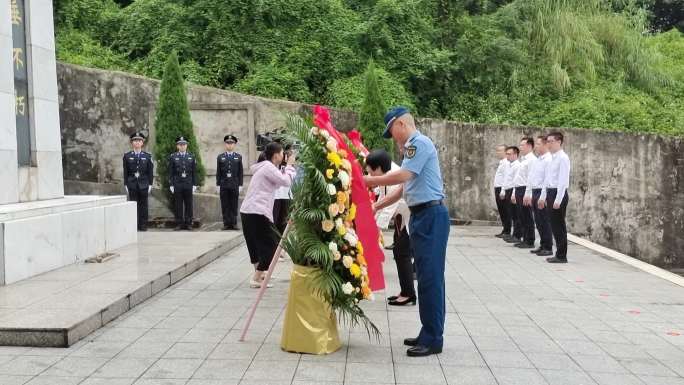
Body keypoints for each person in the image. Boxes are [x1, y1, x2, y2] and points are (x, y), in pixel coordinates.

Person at [364, 106, 449, 358]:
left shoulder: (417, 143)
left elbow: (403, 175)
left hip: (430, 216)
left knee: (430, 277)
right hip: (423, 216)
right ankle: (429, 331)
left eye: (392, 131)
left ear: (401, 124)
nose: (394, 138)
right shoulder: (414, 147)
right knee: (425, 276)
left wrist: (368, 180)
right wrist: (378, 204)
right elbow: (404, 187)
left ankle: (433, 338)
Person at [240, 142, 296, 288]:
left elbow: (278, 183)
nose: (284, 156)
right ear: (276, 155)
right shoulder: (268, 167)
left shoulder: (266, 167)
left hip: (251, 210)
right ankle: (256, 277)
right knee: (273, 243)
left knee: (258, 244)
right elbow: (285, 181)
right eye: (283, 153)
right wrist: (290, 166)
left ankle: (260, 275)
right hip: (257, 211)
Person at [365, 149, 415, 307]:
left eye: (371, 173)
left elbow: (386, 209)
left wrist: (371, 233)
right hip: (404, 218)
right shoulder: (388, 171)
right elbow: (381, 195)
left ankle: (408, 294)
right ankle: (407, 292)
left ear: (379, 168)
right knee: (400, 252)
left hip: (411, 218)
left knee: (402, 252)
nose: (372, 177)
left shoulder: (394, 177)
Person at [539, 132, 571, 263]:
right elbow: (548, 180)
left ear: (559, 142)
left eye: (551, 141)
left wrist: (558, 200)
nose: (549, 144)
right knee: (554, 225)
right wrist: (543, 196)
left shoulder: (563, 158)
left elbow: (563, 180)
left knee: (559, 226)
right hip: (551, 192)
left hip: (559, 193)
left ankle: (561, 255)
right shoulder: (552, 158)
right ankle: (559, 253)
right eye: (548, 141)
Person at [524, 135, 553, 256]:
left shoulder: (548, 160)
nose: (536, 146)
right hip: (535, 191)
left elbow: (547, 179)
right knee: (538, 221)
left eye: (538, 144)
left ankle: (548, 247)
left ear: (546, 145)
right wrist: (528, 193)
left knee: (544, 220)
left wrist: (543, 197)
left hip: (542, 192)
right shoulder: (538, 160)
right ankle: (542, 244)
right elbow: (531, 178)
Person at [123, 132, 154, 232]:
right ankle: (134, 224)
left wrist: (150, 184)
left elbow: (150, 172)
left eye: (139, 141)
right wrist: (126, 184)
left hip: (144, 184)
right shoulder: (127, 156)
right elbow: (125, 171)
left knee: (144, 205)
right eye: (135, 140)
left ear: (142, 143)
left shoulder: (147, 156)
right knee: (133, 205)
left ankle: (143, 224)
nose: (137, 142)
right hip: (132, 184)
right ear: (132, 143)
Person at [169, 136, 198, 231]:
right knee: (178, 204)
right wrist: (171, 184)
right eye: (180, 144)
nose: (182, 146)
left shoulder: (191, 156)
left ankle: (188, 223)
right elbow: (171, 172)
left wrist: (194, 184)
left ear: (186, 145)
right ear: (177, 146)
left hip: (188, 184)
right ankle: (179, 223)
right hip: (178, 184)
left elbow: (194, 172)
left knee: (189, 204)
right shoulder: (173, 157)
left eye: (184, 144)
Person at [512, 137, 537, 248]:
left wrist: (528, 194)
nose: (520, 147)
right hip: (519, 189)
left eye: (522, 145)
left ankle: (530, 240)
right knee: (521, 216)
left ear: (530, 146)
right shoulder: (524, 159)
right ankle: (525, 238)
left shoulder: (532, 160)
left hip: (525, 189)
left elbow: (531, 178)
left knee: (527, 216)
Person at [216, 134, 243, 230]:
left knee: (234, 204)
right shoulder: (220, 157)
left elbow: (240, 172)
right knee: (225, 204)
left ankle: (234, 223)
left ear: (234, 144)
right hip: (224, 184)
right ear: (225, 144)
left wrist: (240, 184)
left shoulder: (238, 157)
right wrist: (218, 185)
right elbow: (218, 172)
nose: (230, 145)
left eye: (231, 143)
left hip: (234, 184)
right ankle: (226, 224)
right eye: (228, 143)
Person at [499, 146, 521, 244]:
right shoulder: (509, 165)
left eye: (509, 154)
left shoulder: (517, 165)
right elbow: (506, 179)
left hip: (513, 190)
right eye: (506, 154)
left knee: (516, 215)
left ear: (515, 154)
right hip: (507, 190)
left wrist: (513, 194)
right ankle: (514, 234)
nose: (507, 156)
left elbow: (515, 181)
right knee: (512, 214)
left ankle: (517, 235)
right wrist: (503, 190)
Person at [272, 144, 294, 236]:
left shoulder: (291, 168)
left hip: (288, 197)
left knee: (285, 224)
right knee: (275, 223)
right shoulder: (274, 166)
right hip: (276, 197)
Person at [493, 145, 510, 238]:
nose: (498, 152)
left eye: (500, 150)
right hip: (498, 188)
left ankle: (507, 230)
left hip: (502, 189)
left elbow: (506, 178)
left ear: (505, 152)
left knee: (505, 210)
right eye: (497, 150)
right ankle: (505, 229)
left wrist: (503, 190)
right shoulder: (502, 162)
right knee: (502, 210)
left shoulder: (506, 163)